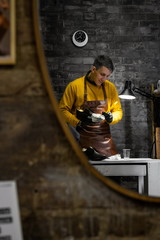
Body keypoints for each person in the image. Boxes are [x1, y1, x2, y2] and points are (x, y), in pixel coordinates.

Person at [59, 55, 123, 159]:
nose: (104, 79)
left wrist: (112, 118)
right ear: (93, 69)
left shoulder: (110, 88)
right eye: (102, 74)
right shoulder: (74, 86)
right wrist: (77, 122)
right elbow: (62, 110)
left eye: (108, 76)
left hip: (105, 142)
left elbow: (118, 111)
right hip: (82, 141)